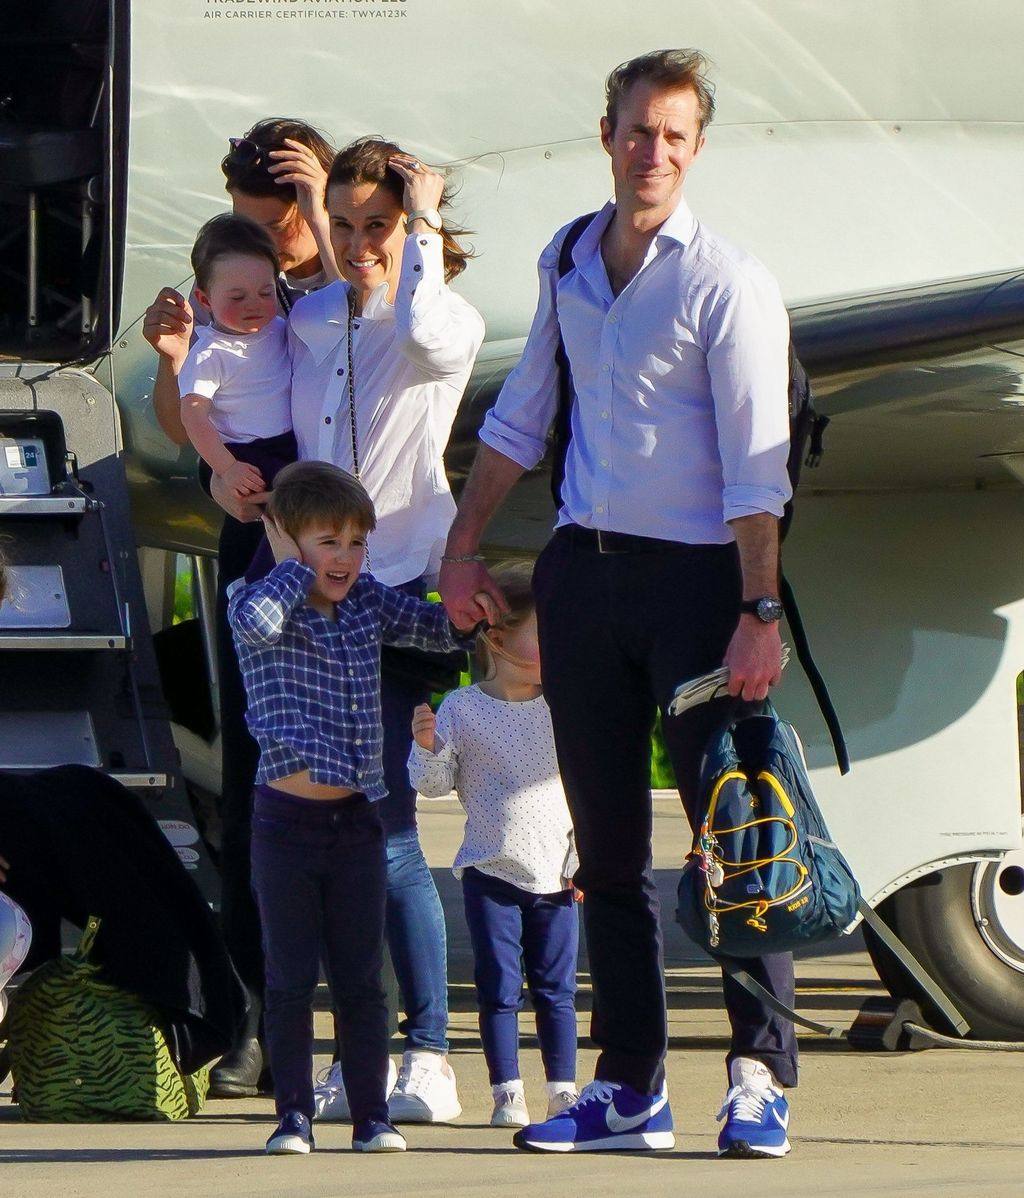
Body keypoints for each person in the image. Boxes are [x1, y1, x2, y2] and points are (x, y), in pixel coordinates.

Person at [439, 49, 797, 1160]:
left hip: (697, 585)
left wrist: (759, 609)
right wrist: (462, 544)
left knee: (734, 832)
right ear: (607, 135)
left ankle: (758, 1073)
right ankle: (631, 1083)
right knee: (601, 845)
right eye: (638, 130)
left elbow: (756, 467)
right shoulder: (567, 260)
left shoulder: (726, 281)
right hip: (582, 576)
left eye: (674, 137)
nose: (653, 152)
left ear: (694, 151)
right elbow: (520, 418)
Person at [213, 136, 485, 1122]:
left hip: (394, 591)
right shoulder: (313, 317)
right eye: (348, 225)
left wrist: (419, 208)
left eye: (381, 225)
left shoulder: (442, 317)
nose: (362, 243)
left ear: (411, 231)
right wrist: (211, 451)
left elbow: (413, 319)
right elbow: (248, 408)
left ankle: (428, 1052)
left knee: (387, 831)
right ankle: (360, 1050)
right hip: (302, 600)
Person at [143, 118, 338, 1096]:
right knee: (263, 777)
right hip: (258, 537)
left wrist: (325, 206)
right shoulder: (246, 312)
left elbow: (381, 328)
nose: (278, 242)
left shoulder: (348, 294)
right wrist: (178, 364)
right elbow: (188, 418)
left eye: (289, 222)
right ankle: (264, 1014)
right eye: (259, 226)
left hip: (351, 553)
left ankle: (393, 1023)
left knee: (361, 786)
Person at [227, 460, 480, 1155]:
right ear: (289, 540)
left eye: (355, 542)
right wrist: (285, 560)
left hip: (358, 823)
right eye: (327, 542)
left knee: (362, 980)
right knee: (289, 978)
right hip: (284, 824)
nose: (345, 558)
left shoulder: (368, 600)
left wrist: (482, 605)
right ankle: (294, 1117)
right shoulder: (258, 597)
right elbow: (256, 623)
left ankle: (373, 1116)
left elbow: (436, 633)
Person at [407, 562, 580, 1130]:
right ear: (498, 639)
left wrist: (586, 859)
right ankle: (507, 1091)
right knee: (499, 988)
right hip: (489, 868)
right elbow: (432, 786)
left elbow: (586, 788)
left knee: (557, 989)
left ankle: (562, 1088)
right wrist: (428, 747)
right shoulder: (462, 708)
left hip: (558, 872)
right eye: (546, 629)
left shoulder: (566, 704)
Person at [178, 213, 297, 503]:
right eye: (237, 297)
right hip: (247, 454)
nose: (253, 305)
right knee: (264, 522)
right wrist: (227, 467)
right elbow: (193, 416)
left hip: (295, 443)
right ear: (205, 300)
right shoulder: (209, 353)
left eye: (265, 292)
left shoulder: (283, 329)